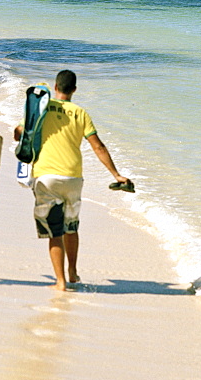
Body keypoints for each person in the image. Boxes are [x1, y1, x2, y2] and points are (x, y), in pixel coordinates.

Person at [18, 69, 132, 290]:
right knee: (71, 226)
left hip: (47, 177)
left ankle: (60, 282)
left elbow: (23, 132)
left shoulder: (43, 107)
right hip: (73, 178)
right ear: (74, 90)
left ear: (56, 87)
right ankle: (72, 271)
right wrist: (116, 174)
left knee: (54, 231)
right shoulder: (81, 113)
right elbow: (98, 146)